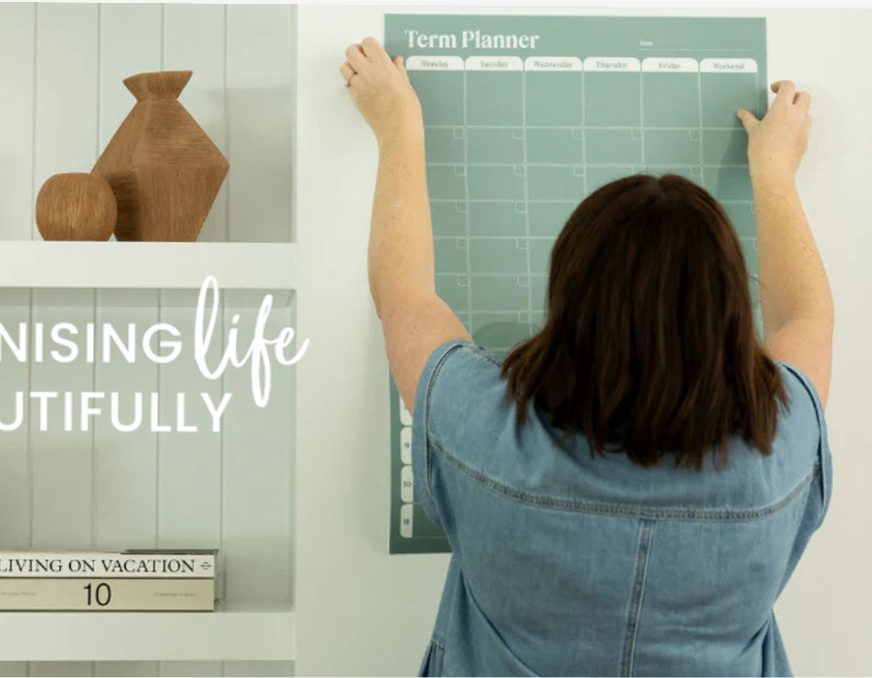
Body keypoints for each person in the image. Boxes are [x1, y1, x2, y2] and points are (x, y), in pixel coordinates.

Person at [341, 37, 832, 677]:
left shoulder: (488, 431)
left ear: (571, 298)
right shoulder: (782, 445)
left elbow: (402, 294)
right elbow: (807, 318)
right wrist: (776, 169)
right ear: (730, 314)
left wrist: (396, 128)